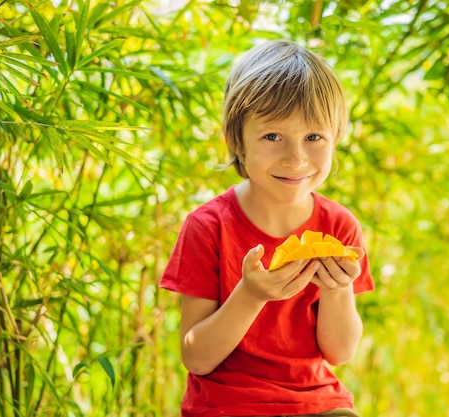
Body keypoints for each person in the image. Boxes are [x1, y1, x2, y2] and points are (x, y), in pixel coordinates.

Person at [160, 39, 375, 417]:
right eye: (273, 136)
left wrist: (338, 288)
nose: (296, 158)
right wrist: (250, 295)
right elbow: (196, 357)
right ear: (236, 140)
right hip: (228, 405)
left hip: (318, 404)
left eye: (313, 138)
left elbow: (340, 352)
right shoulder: (208, 227)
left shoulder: (340, 227)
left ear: (335, 139)